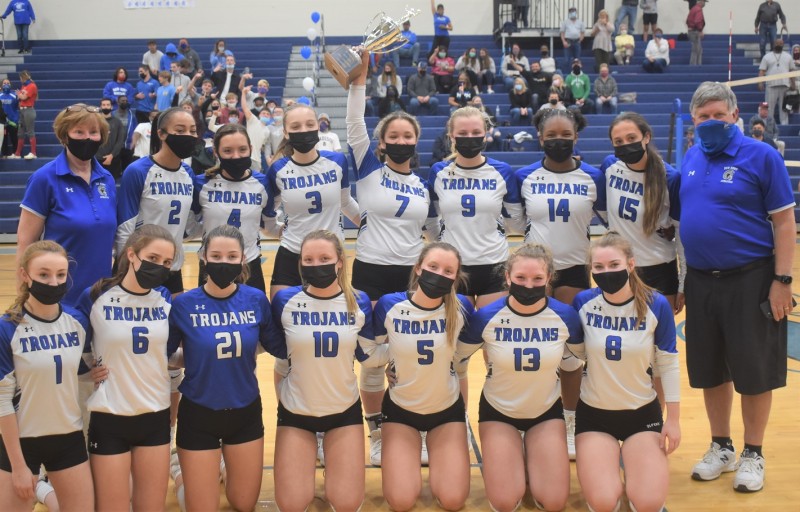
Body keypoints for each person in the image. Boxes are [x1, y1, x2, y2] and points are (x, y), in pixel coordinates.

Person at [681, 81, 794, 493]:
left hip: (752, 279)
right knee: (711, 369)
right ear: (694, 120)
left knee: (754, 370)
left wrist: (782, 280)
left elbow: (785, 222)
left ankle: (753, 452)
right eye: (703, 116)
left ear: (734, 115)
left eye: (718, 115)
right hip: (700, 280)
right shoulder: (692, 155)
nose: (711, 122)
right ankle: (722, 446)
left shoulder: (761, 156)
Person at [347, 52, 441, 466]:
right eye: (394, 136)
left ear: (415, 142)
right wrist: (359, 80)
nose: (402, 141)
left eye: (408, 136)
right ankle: (376, 433)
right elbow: (354, 125)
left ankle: (409, 427)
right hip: (370, 273)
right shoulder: (369, 170)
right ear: (382, 142)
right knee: (371, 360)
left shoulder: (422, 185)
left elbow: (432, 233)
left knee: (406, 358)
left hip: (411, 279)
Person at [167, 225, 284, 512]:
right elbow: (163, 355)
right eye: (216, 256)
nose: (224, 262)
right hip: (198, 412)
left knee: (243, 503)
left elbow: (278, 347)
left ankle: (218, 465)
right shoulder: (183, 305)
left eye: (232, 256)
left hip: (245, 411)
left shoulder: (255, 299)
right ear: (203, 257)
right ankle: (181, 472)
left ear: (243, 259)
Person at [457, 244, 580, 512]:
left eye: (537, 278)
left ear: (549, 278)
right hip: (499, 412)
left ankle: (531, 455)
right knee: (504, 502)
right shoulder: (486, 317)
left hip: (546, 413)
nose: (529, 285)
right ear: (507, 277)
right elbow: (455, 360)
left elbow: (580, 359)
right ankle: (515, 455)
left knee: (554, 502)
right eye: (521, 278)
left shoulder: (565, 316)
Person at [515, 108, 604, 460]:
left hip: (574, 269)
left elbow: (613, 221)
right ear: (540, 138)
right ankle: (529, 417)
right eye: (551, 135)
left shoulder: (593, 177)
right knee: (531, 348)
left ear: (576, 137)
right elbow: (516, 222)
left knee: (570, 352)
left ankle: (569, 419)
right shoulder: (524, 176)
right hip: (535, 271)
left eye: (566, 135)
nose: (559, 141)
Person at [572, 231, 681, 512]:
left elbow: (668, 363)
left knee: (648, 503)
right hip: (594, 415)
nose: (606, 272)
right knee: (603, 502)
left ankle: (634, 469)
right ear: (591, 269)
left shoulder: (656, 304)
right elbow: (574, 355)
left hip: (642, 415)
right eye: (598, 267)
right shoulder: (582, 303)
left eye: (614, 265)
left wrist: (673, 419)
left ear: (631, 265)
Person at [271, 230, 374, 512]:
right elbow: (279, 356)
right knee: (291, 505)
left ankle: (333, 463)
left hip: (343, 411)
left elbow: (368, 354)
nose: (316, 265)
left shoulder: (358, 301)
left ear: (339, 261)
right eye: (309, 260)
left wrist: (396, 361)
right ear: (301, 263)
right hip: (296, 412)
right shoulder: (285, 301)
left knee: (347, 503)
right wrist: (284, 400)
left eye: (324, 259)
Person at [74, 225, 174, 511]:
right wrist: (86, 373)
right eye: (153, 258)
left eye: (167, 262)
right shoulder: (96, 295)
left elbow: (169, 352)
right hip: (110, 416)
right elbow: (73, 343)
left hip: (155, 414)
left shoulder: (165, 297)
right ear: (131, 254)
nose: (159, 266)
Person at [369, 243, 474, 511]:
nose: (439, 274)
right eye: (433, 267)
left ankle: (450, 448)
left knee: (453, 500)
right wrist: (393, 359)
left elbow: (466, 352)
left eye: (448, 271)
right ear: (418, 268)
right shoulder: (390, 304)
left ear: (456, 277)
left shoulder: (462, 307)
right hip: (401, 411)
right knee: (401, 501)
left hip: (446, 412)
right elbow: (369, 352)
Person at [0, 241, 94, 512]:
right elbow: (3, 401)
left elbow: (76, 370)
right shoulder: (8, 328)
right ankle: (42, 488)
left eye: (60, 275)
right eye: (43, 274)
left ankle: (45, 491)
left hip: (68, 437)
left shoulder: (77, 322)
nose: (54, 282)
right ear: (24, 275)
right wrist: (19, 466)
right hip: (22, 441)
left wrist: (94, 373)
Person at [17, 104, 116, 306]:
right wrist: (24, 299)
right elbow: (25, 243)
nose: (87, 138)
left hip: (102, 298)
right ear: (65, 136)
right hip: (58, 299)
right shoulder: (44, 178)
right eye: (79, 132)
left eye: (93, 132)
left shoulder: (107, 179)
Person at [428, 106, 524, 309]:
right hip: (452, 265)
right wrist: (443, 244)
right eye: (462, 133)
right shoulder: (438, 172)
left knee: (489, 325)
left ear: (485, 134)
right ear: (451, 136)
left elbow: (515, 221)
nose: (469, 138)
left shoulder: (502, 171)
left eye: (476, 132)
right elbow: (431, 219)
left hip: (494, 263)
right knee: (458, 327)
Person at [265, 103, 359, 298]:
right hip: (291, 253)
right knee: (280, 310)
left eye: (309, 124)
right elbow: (267, 214)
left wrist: (371, 227)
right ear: (286, 133)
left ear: (318, 126)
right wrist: (277, 230)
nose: (304, 130)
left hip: (329, 255)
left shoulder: (337, 161)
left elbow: (345, 203)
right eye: (296, 126)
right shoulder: (278, 169)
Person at [606, 112, 685, 317]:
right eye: (618, 141)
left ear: (646, 137)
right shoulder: (610, 167)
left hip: (659, 270)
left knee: (660, 334)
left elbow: (680, 234)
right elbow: (604, 210)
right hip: (620, 268)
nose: (626, 145)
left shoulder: (670, 178)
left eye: (631, 138)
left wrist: (683, 282)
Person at [116, 107, 197, 296]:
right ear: (161, 134)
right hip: (141, 266)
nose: (188, 135)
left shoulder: (188, 173)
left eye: (193, 131)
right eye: (180, 130)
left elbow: (188, 225)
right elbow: (125, 227)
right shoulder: (138, 171)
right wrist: (125, 268)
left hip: (172, 266)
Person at [192, 124, 272, 292]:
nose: (236, 156)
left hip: (250, 263)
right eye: (228, 151)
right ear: (216, 152)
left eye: (242, 150)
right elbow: (190, 227)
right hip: (211, 264)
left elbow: (268, 224)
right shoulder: (201, 183)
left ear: (251, 149)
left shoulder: (263, 183)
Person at [758, 38, 796, 126]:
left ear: (783, 45)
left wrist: (793, 83)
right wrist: (760, 83)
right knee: (769, 108)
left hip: (785, 85)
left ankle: (784, 125)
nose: (778, 45)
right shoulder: (767, 56)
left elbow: (792, 71)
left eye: (780, 43)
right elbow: (762, 71)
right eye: (777, 43)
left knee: (784, 108)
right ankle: (769, 126)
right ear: (773, 44)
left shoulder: (788, 56)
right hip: (771, 85)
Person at [97, 98, 124, 179]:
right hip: (97, 158)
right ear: (100, 107)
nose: (106, 107)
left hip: (113, 159)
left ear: (111, 107)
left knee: (112, 182)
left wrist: (111, 155)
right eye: (103, 105)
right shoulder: (95, 122)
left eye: (108, 105)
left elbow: (120, 141)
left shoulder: (117, 122)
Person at [14, 70, 36, 159]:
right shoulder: (24, 86)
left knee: (30, 131)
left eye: (21, 78)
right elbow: (21, 98)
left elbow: (23, 97)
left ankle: (33, 153)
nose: (20, 80)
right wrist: (19, 96)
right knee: (20, 132)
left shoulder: (32, 86)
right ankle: (17, 153)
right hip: (22, 110)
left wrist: (18, 94)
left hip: (29, 110)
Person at [0, 79, 19, 158]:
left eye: (8, 83)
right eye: (4, 83)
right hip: (2, 122)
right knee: (3, 139)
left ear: (10, 85)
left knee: (14, 138)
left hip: (13, 121)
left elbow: (19, 106)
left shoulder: (15, 95)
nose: (6, 84)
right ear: (1, 85)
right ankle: (4, 154)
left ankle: (15, 153)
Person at [687, 0, 706, 66]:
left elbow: (687, 21)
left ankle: (696, 66)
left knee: (697, 50)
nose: (704, 3)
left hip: (691, 31)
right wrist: (700, 31)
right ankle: (695, 67)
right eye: (704, 1)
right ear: (701, 1)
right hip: (695, 31)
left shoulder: (693, 8)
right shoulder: (698, 9)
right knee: (696, 51)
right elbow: (698, 21)